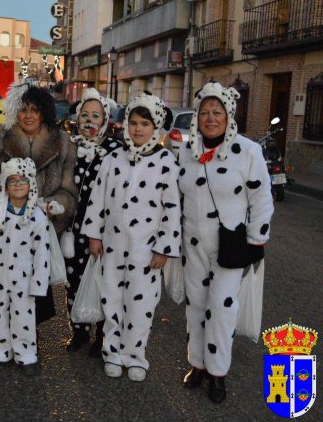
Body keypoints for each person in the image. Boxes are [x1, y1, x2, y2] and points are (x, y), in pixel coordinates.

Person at [179, 82, 273, 403]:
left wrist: (257, 240)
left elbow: (261, 197)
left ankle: (218, 374)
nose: (210, 117)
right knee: (196, 306)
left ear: (228, 115)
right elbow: (173, 197)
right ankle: (198, 365)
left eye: (217, 112)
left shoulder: (248, 151)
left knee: (221, 308)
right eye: (204, 112)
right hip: (192, 247)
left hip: (230, 248)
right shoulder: (186, 150)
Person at [82, 92, 181, 382]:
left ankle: (135, 356)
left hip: (145, 251)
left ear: (156, 128)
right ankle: (111, 352)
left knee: (141, 306)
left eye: (145, 124)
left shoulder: (167, 163)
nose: (138, 129)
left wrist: (164, 247)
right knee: (112, 300)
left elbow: (172, 210)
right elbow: (97, 199)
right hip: (112, 247)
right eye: (134, 123)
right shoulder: (114, 159)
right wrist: (94, 234)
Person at [0, 84, 77, 325]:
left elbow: (68, 189)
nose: (28, 115)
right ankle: (0, 342)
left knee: (34, 286)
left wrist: (54, 206)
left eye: (34, 110)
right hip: (4, 224)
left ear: (43, 113)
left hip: (40, 225)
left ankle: (28, 344)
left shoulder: (62, 142)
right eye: (23, 109)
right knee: (0, 286)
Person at [0, 158, 50, 376]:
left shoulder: (37, 217)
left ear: (31, 185)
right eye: (12, 181)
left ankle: (26, 354)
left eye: (22, 180)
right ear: (4, 185)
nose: (17, 185)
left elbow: (43, 253)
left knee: (24, 316)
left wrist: (39, 282)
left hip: (24, 279)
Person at [61, 88, 122, 357]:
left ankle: (101, 334)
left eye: (95, 116)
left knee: (102, 281)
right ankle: (78, 330)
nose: (89, 121)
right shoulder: (68, 146)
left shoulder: (114, 151)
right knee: (73, 280)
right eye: (84, 114)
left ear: (105, 121)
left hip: (103, 231)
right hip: (72, 230)